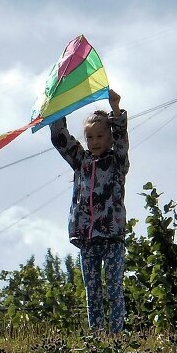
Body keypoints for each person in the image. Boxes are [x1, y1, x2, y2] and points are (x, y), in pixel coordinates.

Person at [50, 89, 129, 333]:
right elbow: (61, 139)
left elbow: (122, 138)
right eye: (90, 137)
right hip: (87, 238)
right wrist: (56, 110)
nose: (94, 142)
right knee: (92, 291)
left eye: (99, 136)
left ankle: (116, 336)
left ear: (108, 138)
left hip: (112, 237)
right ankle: (97, 336)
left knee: (114, 288)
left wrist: (115, 109)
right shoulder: (81, 161)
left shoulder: (117, 163)